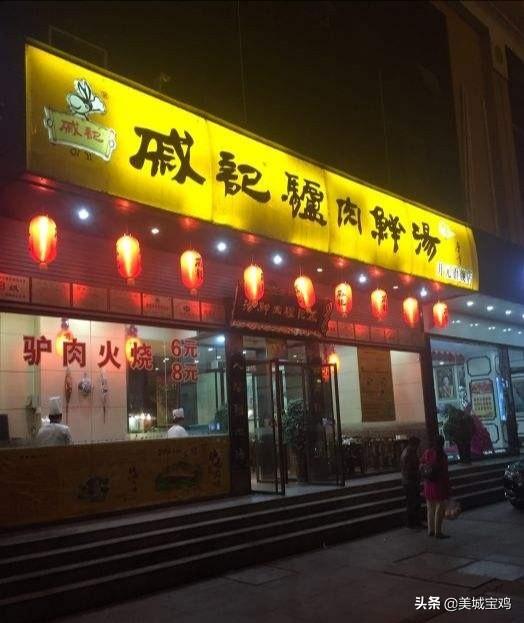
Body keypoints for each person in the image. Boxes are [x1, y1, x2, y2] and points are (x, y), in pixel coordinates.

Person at [421, 434, 451, 539]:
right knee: (439, 508)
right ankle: (438, 531)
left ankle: (431, 530)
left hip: (428, 483)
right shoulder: (442, 455)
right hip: (439, 484)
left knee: (430, 507)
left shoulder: (427, 452)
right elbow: (445, 472)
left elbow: (422, 464)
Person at [400, 436, 422, 528]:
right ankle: (413, 522)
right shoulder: (410, 453)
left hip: (407, 481)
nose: (418, 447)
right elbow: (410, 469)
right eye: (417, 445)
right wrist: (419, 471)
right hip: (411, 481)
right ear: (414, 444)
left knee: (411, 502)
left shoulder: (406, 451)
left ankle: (412, 522)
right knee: (413, 503)